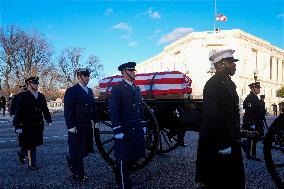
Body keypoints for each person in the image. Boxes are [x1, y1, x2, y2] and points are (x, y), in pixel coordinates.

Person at [195, 49, 245, 189]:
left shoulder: (229, 83)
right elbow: (212, 117)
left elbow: (232, 112)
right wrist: (223, 144)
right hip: (219, 140)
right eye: (231, 62)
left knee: (232, 176)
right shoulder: (213, 84)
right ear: (221, 64)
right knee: (219, 178)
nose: (234, 65)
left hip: (230, 136)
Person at [109, 62, 146, 189]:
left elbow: (140, 108)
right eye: (131, 71)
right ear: (124, 72)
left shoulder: (136, 88)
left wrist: (143, 124)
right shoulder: (117, 88)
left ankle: (123, 179)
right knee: (123, 157)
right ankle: (123, 183)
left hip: (135, 128)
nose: (134, 73)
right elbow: (113, 111)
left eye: (134, 71)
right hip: (124, 129)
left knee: (133, 154)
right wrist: (117, 129)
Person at [64, 68, 97, 182]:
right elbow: (68, 110)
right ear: (79, 77)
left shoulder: (90, 91)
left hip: (86, 126)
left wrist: (96, 121)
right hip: (76, 127)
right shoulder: (72, 91)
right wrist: (70, 126)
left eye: (88, 76)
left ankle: (71, 160)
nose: (88, 78)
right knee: (77, 151)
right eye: (85, 75)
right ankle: (80, 175)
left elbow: (93, 108)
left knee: (84, 150)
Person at [14, 76, 52, 170]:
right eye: (34, 83)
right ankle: (32, 164)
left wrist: (48, 119)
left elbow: (45, 109)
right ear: (29, 85)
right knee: (31, 145)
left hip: (38, 125)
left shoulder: (41, 96)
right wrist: (18, 126)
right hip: (27, 125)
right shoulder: (22, 96)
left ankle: (22, 152)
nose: (36, 85)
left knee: (31, 144)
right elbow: (19, 112)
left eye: (37, 83)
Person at [242, 82, 264, 161]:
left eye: (259, 88)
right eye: (257, 88)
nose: (258, 89)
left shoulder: (255, 97)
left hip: (255, 120)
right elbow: (246, 107)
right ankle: (251, 154)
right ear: (252, 89)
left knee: (256, 136)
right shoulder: (251, 97)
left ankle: (245, 145)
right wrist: (251, 122)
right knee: (252, 137)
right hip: (251, 121)